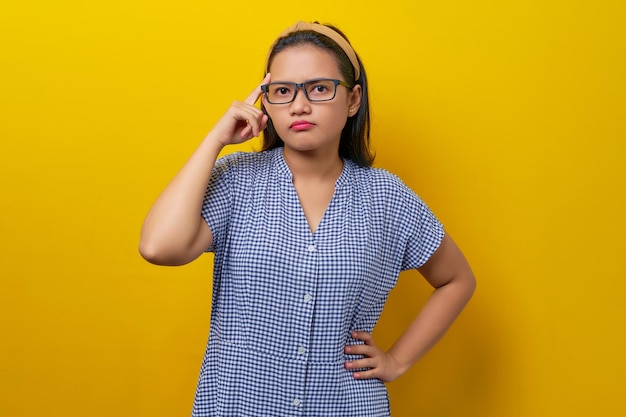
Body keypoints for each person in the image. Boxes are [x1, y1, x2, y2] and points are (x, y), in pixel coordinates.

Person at [139, 21, 476, 417]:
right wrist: (215, 139)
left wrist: (397, 360)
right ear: (265, 101)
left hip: (346, 407)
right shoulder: (236, 181)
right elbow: (158, 247)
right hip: (237, 405)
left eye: (318, 88)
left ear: (352, 100)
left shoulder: (387, 197)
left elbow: (457, 279)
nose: (299, 105)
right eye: (282, 91)